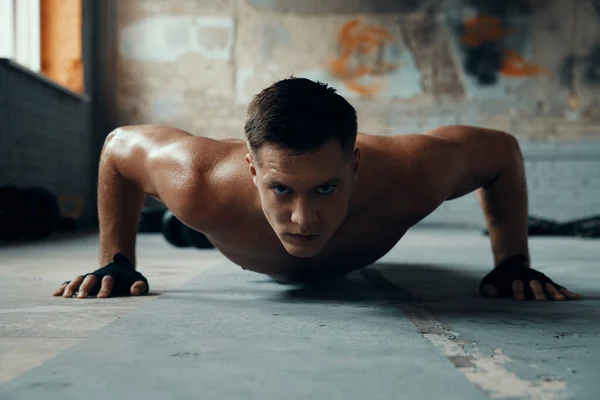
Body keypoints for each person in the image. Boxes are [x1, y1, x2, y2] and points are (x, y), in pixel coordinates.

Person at [53, 77, 579, 302]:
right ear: (252, 171)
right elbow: (119, 147)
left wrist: (512, 260)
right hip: (225, 226)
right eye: (282, 190)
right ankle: (177, 227)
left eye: (325, 188)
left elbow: (502, 151)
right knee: (185, 220)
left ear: (354, 166)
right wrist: (116, 259)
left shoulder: (414, 173)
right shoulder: (197, 182)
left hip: (246, 230)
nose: (303, 218)